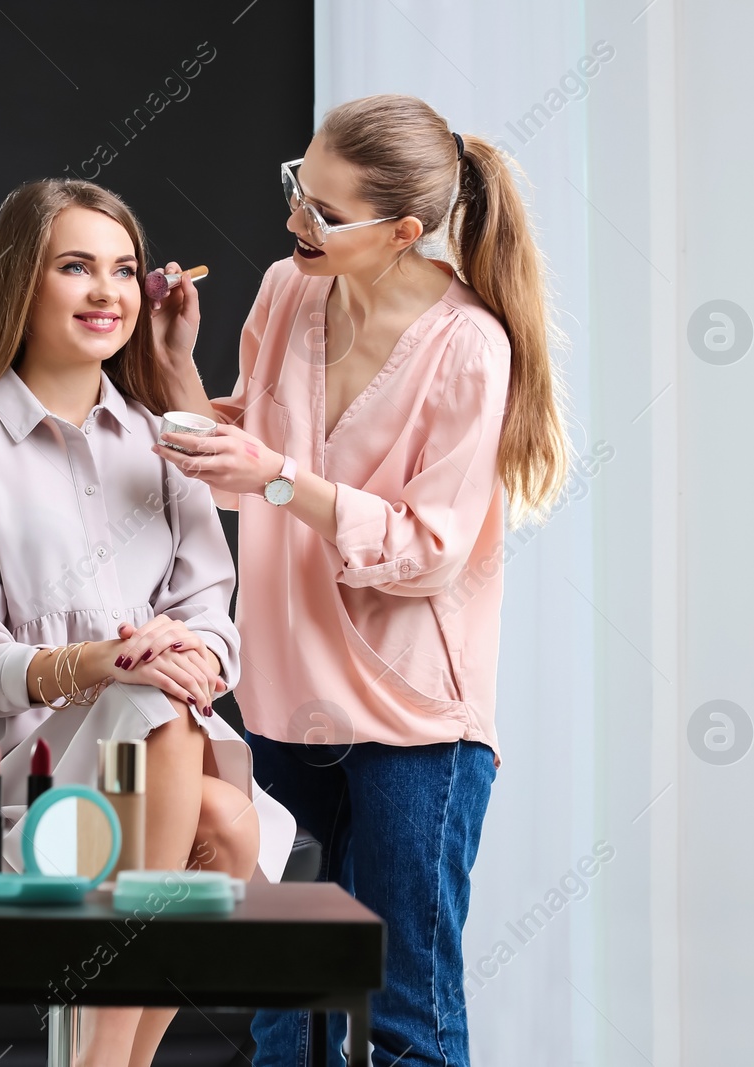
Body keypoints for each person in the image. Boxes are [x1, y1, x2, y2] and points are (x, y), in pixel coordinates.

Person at [140, 94, 570, 1066]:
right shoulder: (287, 292)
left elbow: (428, 551)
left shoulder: (470, 347)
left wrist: (285, 479)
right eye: (299, 185)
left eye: (326, 213)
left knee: (407, 1013)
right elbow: (235, 456)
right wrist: (172, 367)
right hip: (286, 702)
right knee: (283, 1013)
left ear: (404, 231)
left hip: (414, 720)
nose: (298, 220)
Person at [0, 178, 297, 1067]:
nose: (108, 292)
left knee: (224, 818)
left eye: (123, 270)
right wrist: (107, 660)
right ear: (18, 284)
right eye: (77, 267)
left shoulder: (166, 440)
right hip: (8, 784)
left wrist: (179, 649)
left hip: (146, 764)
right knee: (161, 719)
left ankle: (106, 1059)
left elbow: (211, 617)